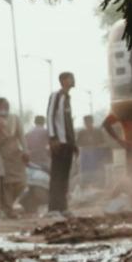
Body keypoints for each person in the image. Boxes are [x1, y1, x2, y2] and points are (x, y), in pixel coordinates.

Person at [45, 72, 78, 216]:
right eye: (70, 78)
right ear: (63, 80)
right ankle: (53, 208)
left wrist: (74, 143)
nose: (73, 80)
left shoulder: (67, 98)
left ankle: (63, 207)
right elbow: (50, 116)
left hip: (68, 143)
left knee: (65, 177)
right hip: (59, 142)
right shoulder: (56, 96)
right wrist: (53, 138)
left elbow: (68, 123)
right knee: (57, 176)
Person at [0, 97, 28, 215]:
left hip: (15, 152)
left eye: (8, 105)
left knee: (21, 183)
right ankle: (8, 209)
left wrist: (25, 151)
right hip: (1, 152)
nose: (7, 107)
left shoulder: (14, 118)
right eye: (4, 105)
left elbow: (21, 135)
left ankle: (8, 206)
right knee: (7, 184)